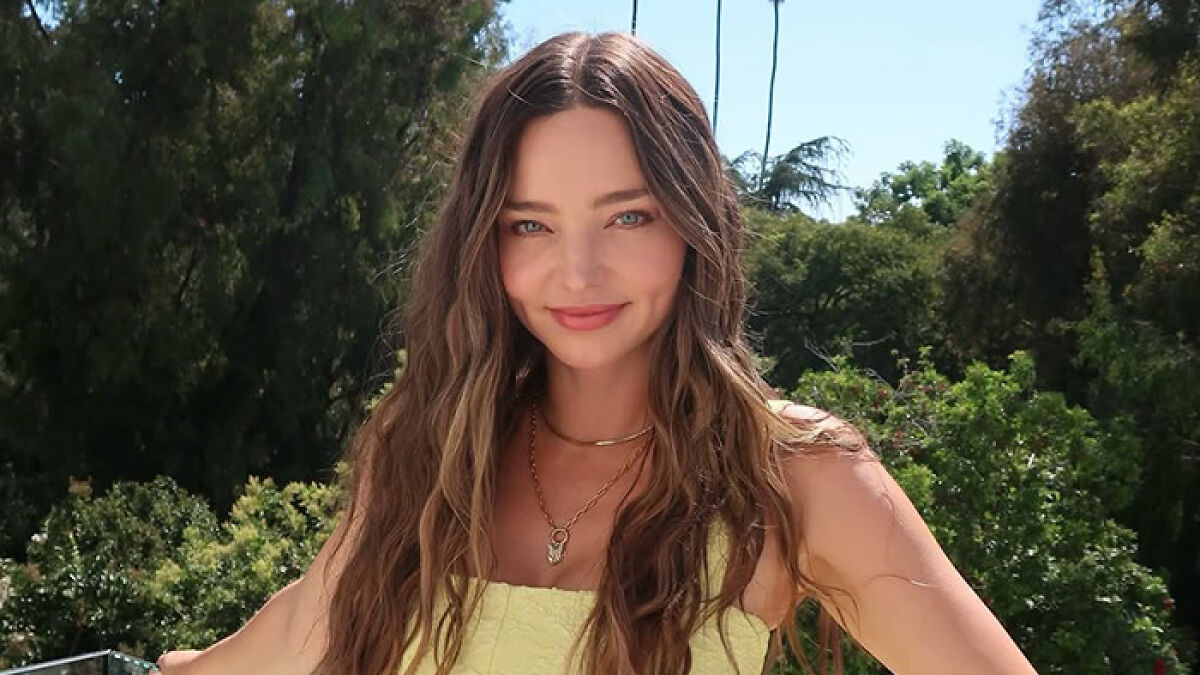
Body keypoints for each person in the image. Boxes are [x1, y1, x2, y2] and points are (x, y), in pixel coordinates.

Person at [155, 31, 1038, 675]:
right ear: (483, 245)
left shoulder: (796, 475)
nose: (576, 273)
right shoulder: (426, 451)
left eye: (628, 215)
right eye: (529, 224)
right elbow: (303, 624)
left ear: (695, 225)